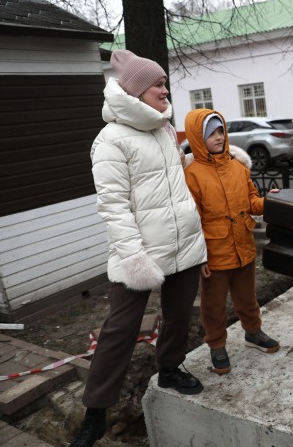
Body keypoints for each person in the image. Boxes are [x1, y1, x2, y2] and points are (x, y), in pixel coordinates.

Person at [69, 50, 208, 447]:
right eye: (158, 84)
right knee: (120, 329)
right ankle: (95, 413)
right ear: (135, 90)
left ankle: (170, 368)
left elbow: (174, 185)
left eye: (165, 83)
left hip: (182, 243)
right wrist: (133, 257)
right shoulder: (110, 139)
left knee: (179, 314)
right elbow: (112, 207)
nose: (166, 90)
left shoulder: (164, 129)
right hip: (140, 253)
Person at [183, 108, 279, 375]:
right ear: (197, 138)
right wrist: (200, 257)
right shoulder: (193, 175)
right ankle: (216, 344)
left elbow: (251, 202)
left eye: (221, 131)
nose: (218, 137)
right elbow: (193, 221)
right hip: (214, 253)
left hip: (243, 246)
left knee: (247, 298)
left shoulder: (238, 167)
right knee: (214, 306)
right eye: (210, 133)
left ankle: (253, 332)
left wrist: (268, 201)